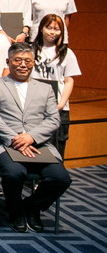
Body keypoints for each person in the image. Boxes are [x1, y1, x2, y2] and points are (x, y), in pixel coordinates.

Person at [0, 43, 72, 233]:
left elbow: (53, 119)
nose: (23, 65)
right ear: (8, 61)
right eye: (18, 60)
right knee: (14, 173)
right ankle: (15, 212)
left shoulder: (45, 88)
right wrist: (15, 139)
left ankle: (32, 206)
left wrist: (31, 137)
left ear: (33, 63)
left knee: (61, 178)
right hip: (6, 143)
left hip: (38, 144)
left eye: (27, 61)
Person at [31, 14, 81, 159]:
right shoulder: (31, 50)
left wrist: (61, 104)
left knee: (56, 151)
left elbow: (69, 80)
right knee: (34, 148)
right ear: (41, 28)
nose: (52, 32)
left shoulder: (67, 53)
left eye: (57, 29)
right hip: (34, 106)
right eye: (49, 28)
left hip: (58, 107)